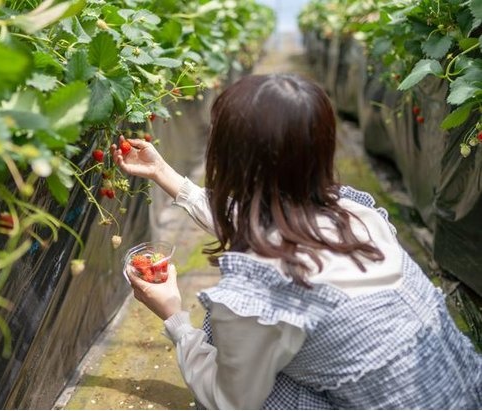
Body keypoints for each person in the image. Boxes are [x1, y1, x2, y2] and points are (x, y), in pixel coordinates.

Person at [110, 73, 482, 409]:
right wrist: (163, 174)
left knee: (231, 346)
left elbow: (230, 399)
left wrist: (175, 317)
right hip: (463, 392)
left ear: (226, 159)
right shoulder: (355, 215)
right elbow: (259, 219)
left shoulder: (263, 292)